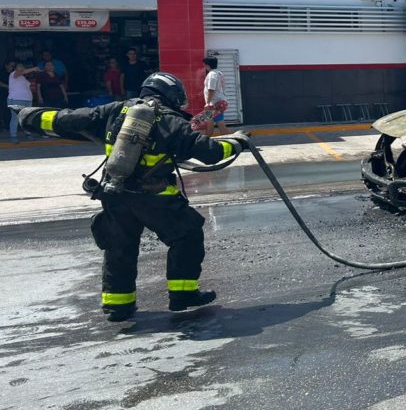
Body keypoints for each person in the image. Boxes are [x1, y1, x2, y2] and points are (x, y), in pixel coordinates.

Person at [18, 72, 250, 322]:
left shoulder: (114, 111)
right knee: (187, 235)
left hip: (114, 193)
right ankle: (183, 294)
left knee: (119, 247)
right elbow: (211, 152)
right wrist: (238, 142)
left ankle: (117, 306)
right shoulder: (172, 121)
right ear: (171, 95)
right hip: (155, 197)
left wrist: (27, 115)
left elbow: (66, 119)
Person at [7, 61, 38, 143]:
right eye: (19, 66)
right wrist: (33, 69)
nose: (21, 68)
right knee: (15, 118)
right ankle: (13, 136)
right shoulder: (13, 74)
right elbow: (21, 72)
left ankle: (28, 134)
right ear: (15, 68)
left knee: (27, 117)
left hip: (27, 100)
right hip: (16, 99)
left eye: (22, 66)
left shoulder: (23, 78)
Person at [202, 57, 229, 136]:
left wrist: (207, 103)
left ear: (208, 65)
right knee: (213, 122)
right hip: (220, 102)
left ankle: (206, 140)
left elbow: (211, 89)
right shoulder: (219, 73)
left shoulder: (212, 74)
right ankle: (206, 140)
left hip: (214, 103)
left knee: (215, 123)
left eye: (204, 65)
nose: (204, 67)